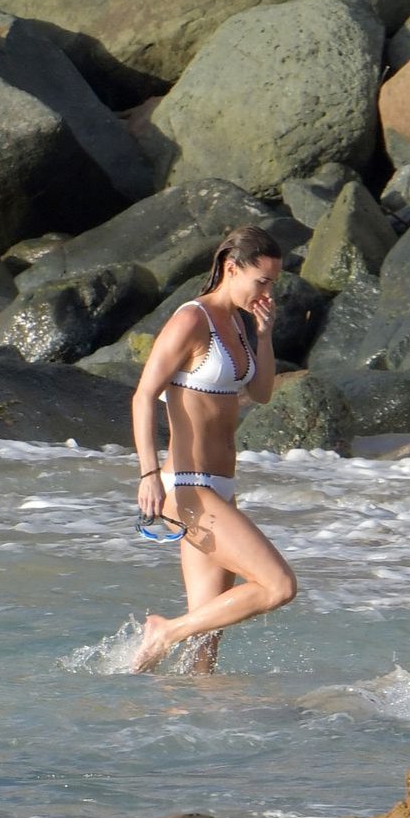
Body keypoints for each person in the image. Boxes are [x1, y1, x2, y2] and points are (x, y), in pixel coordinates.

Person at [130, 225, 298, 672]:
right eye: (261, 281)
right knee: (278, 585)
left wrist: (265, 335)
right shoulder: (191, 319)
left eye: (272, 284)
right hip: (187, 488)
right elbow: (143, 396)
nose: (267, 292)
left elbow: (261, 393)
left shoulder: (239, 324)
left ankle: (166, 702)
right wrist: (148, 474)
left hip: (221, 487)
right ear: (231, 268)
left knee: (204, 654)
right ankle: (165, 631)